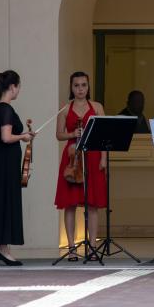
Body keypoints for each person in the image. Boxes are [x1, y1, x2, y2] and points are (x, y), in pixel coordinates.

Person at [0, 70, 35, 266]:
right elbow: (6, 137)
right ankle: (3, 250)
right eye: (18, 86)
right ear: (13, 87)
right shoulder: (5, 109)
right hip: (4, 162)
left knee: (1, 201)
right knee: (5, 200)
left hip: (0, 161)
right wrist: (23, 137)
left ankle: (1, 249)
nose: (19, 90)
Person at [54, 71, 107, 261]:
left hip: (93, 157)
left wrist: (103, 159)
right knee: (70, 205)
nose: (80, 89)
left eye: (84, 85)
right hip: (72, 158)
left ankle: (92, 246)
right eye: (76, 85)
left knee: (92, 205)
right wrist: (72, 134)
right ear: (71, 87)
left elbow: (103, 135)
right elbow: (59, 134)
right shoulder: (65, 108)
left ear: (88, 87)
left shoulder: (97, 107)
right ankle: (71, 248)